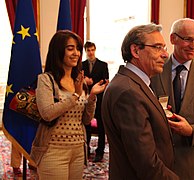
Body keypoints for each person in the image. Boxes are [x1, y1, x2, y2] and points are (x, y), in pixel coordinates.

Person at [101, 24, 179, 180]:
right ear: (135, 51)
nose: (165, 54)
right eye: (158, 47)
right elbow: (146, 163)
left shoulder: (135, 83)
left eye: (164, 47)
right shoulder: (129, 92)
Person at [150, 18, 194, 180]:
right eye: (188, 39)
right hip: (157, 160)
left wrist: (191, 131)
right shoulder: (154, 70)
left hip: (190, 162)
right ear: (172, 39)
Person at [30, 30, 108, 179]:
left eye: (78, 49)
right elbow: (47, 113)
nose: (76, 53)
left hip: (78, 150)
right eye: (70, 48)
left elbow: (85, 120)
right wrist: (75, 96)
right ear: (58, 51)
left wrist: (92, 96)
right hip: (53, 150)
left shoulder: (79, 80)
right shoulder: (46, 80)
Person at [82, 41, 109, 162]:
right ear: (85, 51)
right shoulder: (81, 65)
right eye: (88, 50)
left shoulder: (103, 65)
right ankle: (86, 149)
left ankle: (100, 151)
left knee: (101, 126)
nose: (90, 52)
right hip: (85, 98)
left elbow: (105, 80)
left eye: (92, 50)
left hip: (100, 98)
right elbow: (77, 78)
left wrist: (92, 82)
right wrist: (84, 80)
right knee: (86, 124)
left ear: (95, 50)